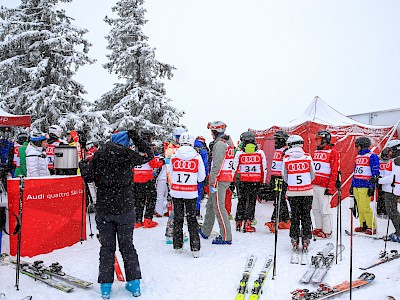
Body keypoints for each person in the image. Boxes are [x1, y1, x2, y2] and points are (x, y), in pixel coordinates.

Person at [85, 130, 153, 299]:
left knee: (107, 248)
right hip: (125, 208)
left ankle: (106, 287)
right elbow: (149, 154)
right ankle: (134, 284)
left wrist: (83, 166)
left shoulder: (99, 155)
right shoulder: (128, 155)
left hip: (105, 208)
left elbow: (88, 178)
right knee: (127, 246)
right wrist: (136, 137)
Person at [170, 132, 206, 257]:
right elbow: (202, 177)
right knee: (192, 219)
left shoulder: (175, 156)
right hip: (190, 192)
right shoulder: (197, 157)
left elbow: (171, 172)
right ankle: (195, 248)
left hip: (176, 191)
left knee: (178, 218)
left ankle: (177, 245)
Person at [199, 121, 234, 245]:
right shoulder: (227, 143)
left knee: (219, 208)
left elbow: (217, 165)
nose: (211, 134)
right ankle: (205, 230)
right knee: (211, 205)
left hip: (220, 179)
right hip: (223, 178)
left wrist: (212, 181)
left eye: (212, 132)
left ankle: (226, 236)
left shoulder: (220, 145)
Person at [282, 135, 315, 252]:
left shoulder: (286, 159)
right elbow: (313, 174)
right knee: (306, 215)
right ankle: (306, 238)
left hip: (293, 193)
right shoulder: (307, 157)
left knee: (295, 216)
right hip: (307, 191)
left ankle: (294, 238)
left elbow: (284, 176)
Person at [232, 131, 267, 232]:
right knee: (251, 201)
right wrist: (263, 181)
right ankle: (248, 222)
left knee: (241, 200)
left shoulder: (239, 153)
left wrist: (232, 180)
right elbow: (264, 168)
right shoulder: (260, 153)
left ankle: (238, 222)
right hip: (255, 181)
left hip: (243, 180)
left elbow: (234, 168)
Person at [311, 131, 340, 239]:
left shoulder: (333, 152)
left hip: (324, 185)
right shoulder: (315, 152)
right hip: (314, 184)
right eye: (316, 139)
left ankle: (327, 230)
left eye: (318, 140)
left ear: (325, 140)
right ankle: (319, 227)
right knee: (315, 208)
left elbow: (334, 171)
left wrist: (330, 187)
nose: (316, 142)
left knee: (325, 209)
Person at [133, 129, 164, 228]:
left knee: (138, 200)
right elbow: (153, 163)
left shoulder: (135, 147)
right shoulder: (147, 147)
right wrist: (162, 162)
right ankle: (148, 220)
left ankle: (137, 220)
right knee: (151, 199)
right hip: (147, 178)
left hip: (136, 177)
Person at [350, 136, 380, 235]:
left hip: (365, 185)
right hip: (356, 184)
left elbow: (375, 172)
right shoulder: (358, 156)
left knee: (365, 206)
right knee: (359, 206)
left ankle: (372, 226)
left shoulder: (372, 156)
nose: (356, 147)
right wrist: (352, 185)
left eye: (357, 146)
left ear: (363, 145)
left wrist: (372, 186)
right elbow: (355, 171)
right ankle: (363, 224)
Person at [265, 130, 291, 232]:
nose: (275, 142)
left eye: (277, 140)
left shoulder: (286, 151)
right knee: (277, 198)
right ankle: (283, 218)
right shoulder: (278, 150)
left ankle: (280, 218)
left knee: (280, 198)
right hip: (275, 177)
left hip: (281, 178)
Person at [378, 140, 400, 242]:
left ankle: (399, 232)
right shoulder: (394, 160)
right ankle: (398, 231)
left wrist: (379, 180)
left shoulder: (397, 161)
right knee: (391, 211)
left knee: (392, 211)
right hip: (389, 188)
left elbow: (392, 178)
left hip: (392, 189)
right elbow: (388, 175)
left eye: (390, 150)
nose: (388, 153)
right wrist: (380, 177)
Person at [193, 136, 209, 219]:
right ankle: (196, 212)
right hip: (199, 174)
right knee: (198, 193)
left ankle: (188, 212)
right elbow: (205, 164)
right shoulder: (203, 150)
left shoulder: (191, 148)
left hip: (190, 173)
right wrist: (206, 175)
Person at [377, 146, 391, 218]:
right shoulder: (378, 160)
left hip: (387, 180)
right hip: (380, 180)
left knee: (386, 197)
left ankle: (386, 211)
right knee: (380, 196)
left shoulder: (390, 161)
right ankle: (379, 211)